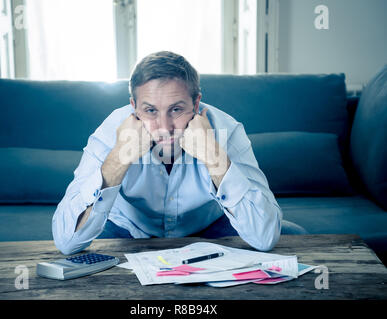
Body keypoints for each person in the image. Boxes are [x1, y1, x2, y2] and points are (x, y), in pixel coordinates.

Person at [52, 51, 305, 255]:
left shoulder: (226, 128)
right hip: (128, 230)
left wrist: (212, 155)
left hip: (208, 228)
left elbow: (265, 236)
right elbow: (65, 241)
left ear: (196, 104)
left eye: (176, 109)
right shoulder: (111, 131)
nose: (164, 127)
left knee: (292, 236)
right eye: (150, 110)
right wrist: (119, 158)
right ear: (134, 107)